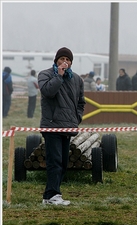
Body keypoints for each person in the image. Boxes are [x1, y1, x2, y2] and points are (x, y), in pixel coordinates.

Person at [38, 47, 86, 205]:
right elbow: (48, 92)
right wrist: (59, 76)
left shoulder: (77, 79)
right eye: (62, 59)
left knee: (63, 163)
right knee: (55, 161)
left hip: (68, 126)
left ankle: (50, 196)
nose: (65, 62)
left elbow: (81, 102)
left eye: (68, 59)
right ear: (56, 60)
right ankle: (52, 195)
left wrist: (76, 118)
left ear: (71, 62)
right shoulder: (45, 75)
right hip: (51, 126)